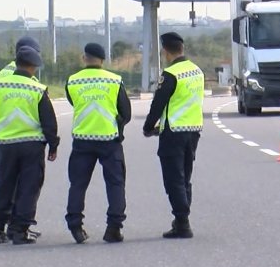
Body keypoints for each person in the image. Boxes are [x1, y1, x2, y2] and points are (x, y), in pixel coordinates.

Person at [0, 46, 60, 245]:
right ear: (34, 67)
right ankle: (19, 230)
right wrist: (53, 145)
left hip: (6, 145)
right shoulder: (37, 89)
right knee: (28, 187)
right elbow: (49, 121)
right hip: (32, 146)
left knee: (5, 185)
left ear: (16, 64)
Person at [64, 43, 132, 244]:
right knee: (115, 184)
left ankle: (75, 226)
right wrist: (117, 127)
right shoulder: (115, 80)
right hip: (109, 141)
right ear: (103, 60)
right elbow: (126, 113)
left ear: (84, 58)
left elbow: (74, 103)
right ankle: (114, 228)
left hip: (82, 141)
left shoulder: (72, 81)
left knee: (78, 184)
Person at [143, 31, 204, 239]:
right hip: (194, 130)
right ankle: (181, 219)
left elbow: (158, 103)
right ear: (182, 48)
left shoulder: (171, 74)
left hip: (173, 132)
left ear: (165, 51)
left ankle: (182, 222)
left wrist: (148, 126)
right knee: (185, 177)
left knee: (173, 179)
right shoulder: (197, 71)